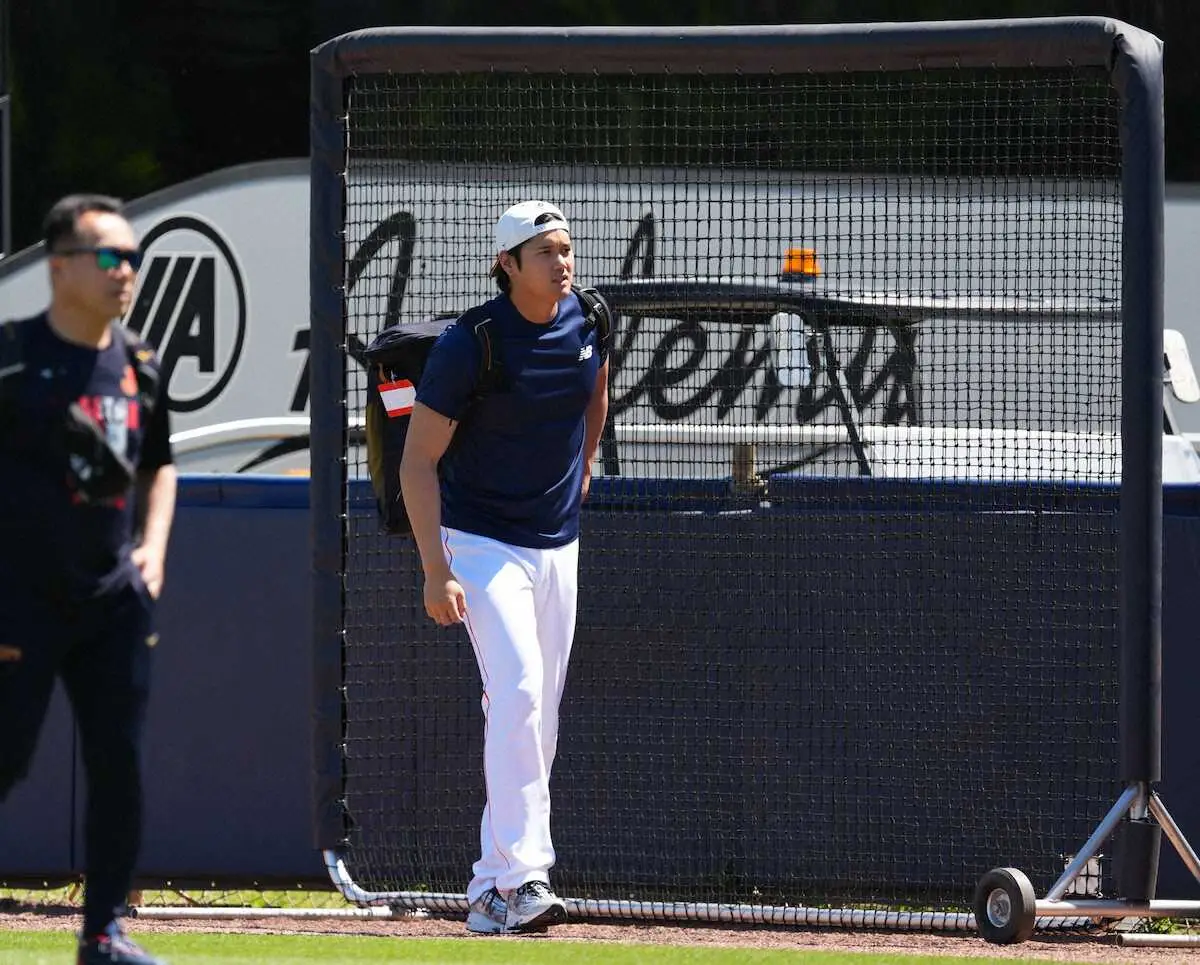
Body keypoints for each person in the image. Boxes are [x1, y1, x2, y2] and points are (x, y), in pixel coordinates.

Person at [399, 200, 609, 935]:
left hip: (560, 543)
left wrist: (584, 463)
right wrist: (435, 568)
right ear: (507, 265)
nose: (562, 261)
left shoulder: (591, 317)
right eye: (544, 251)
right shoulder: (472, 343)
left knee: (536, 714)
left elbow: (596, 390)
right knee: (517, 691)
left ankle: (489, 887)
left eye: (566, 247)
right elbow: (417, 461)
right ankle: (525, 876)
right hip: (481, 542)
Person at [0, 195, 176, 965]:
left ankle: (102, 933)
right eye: (111, 256)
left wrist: (153, 548)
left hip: (111, 600)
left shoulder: (138, 361)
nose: (127, 270)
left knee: (120, 768)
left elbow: (162, 462)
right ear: (60, 263)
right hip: (18, 600)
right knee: (4, 758)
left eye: (134, 257)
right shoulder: (10, 359)